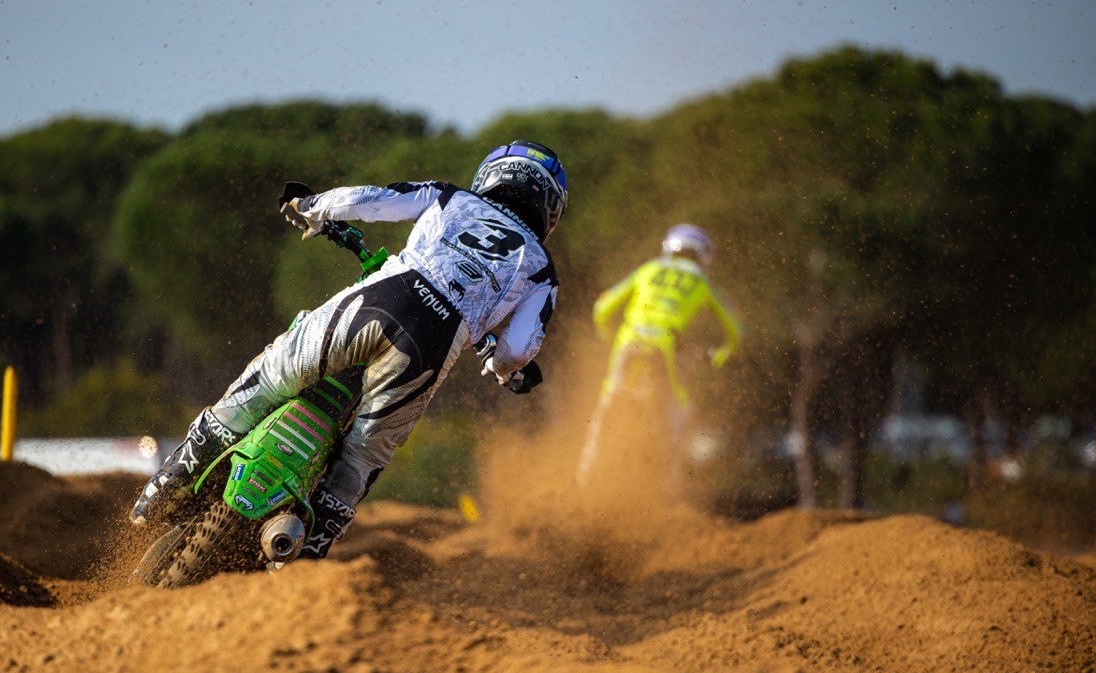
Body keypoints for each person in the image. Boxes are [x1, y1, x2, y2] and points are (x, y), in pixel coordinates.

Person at [130, 140, 567, 559]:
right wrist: (500, 366)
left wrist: (310, 206)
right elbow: (517, 350)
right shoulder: (541, 269)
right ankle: (309, 554)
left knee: (269, 379)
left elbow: (372, 200)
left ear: (491, 174)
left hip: (379, 299)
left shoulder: (450, 197)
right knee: (363, 458)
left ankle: (171, 480)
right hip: (430, 347)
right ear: (550, 207)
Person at [577, 223, 741, 485]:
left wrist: (609, 339)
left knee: (609, 399)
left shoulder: (649, 269)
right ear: (702, 255)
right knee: (677, 408)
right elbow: (735, 331)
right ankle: (669, 482)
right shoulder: (702, 282)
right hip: (665, 344)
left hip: (629, 339)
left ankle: (585, 473)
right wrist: (723, 354)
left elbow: (602, 309)